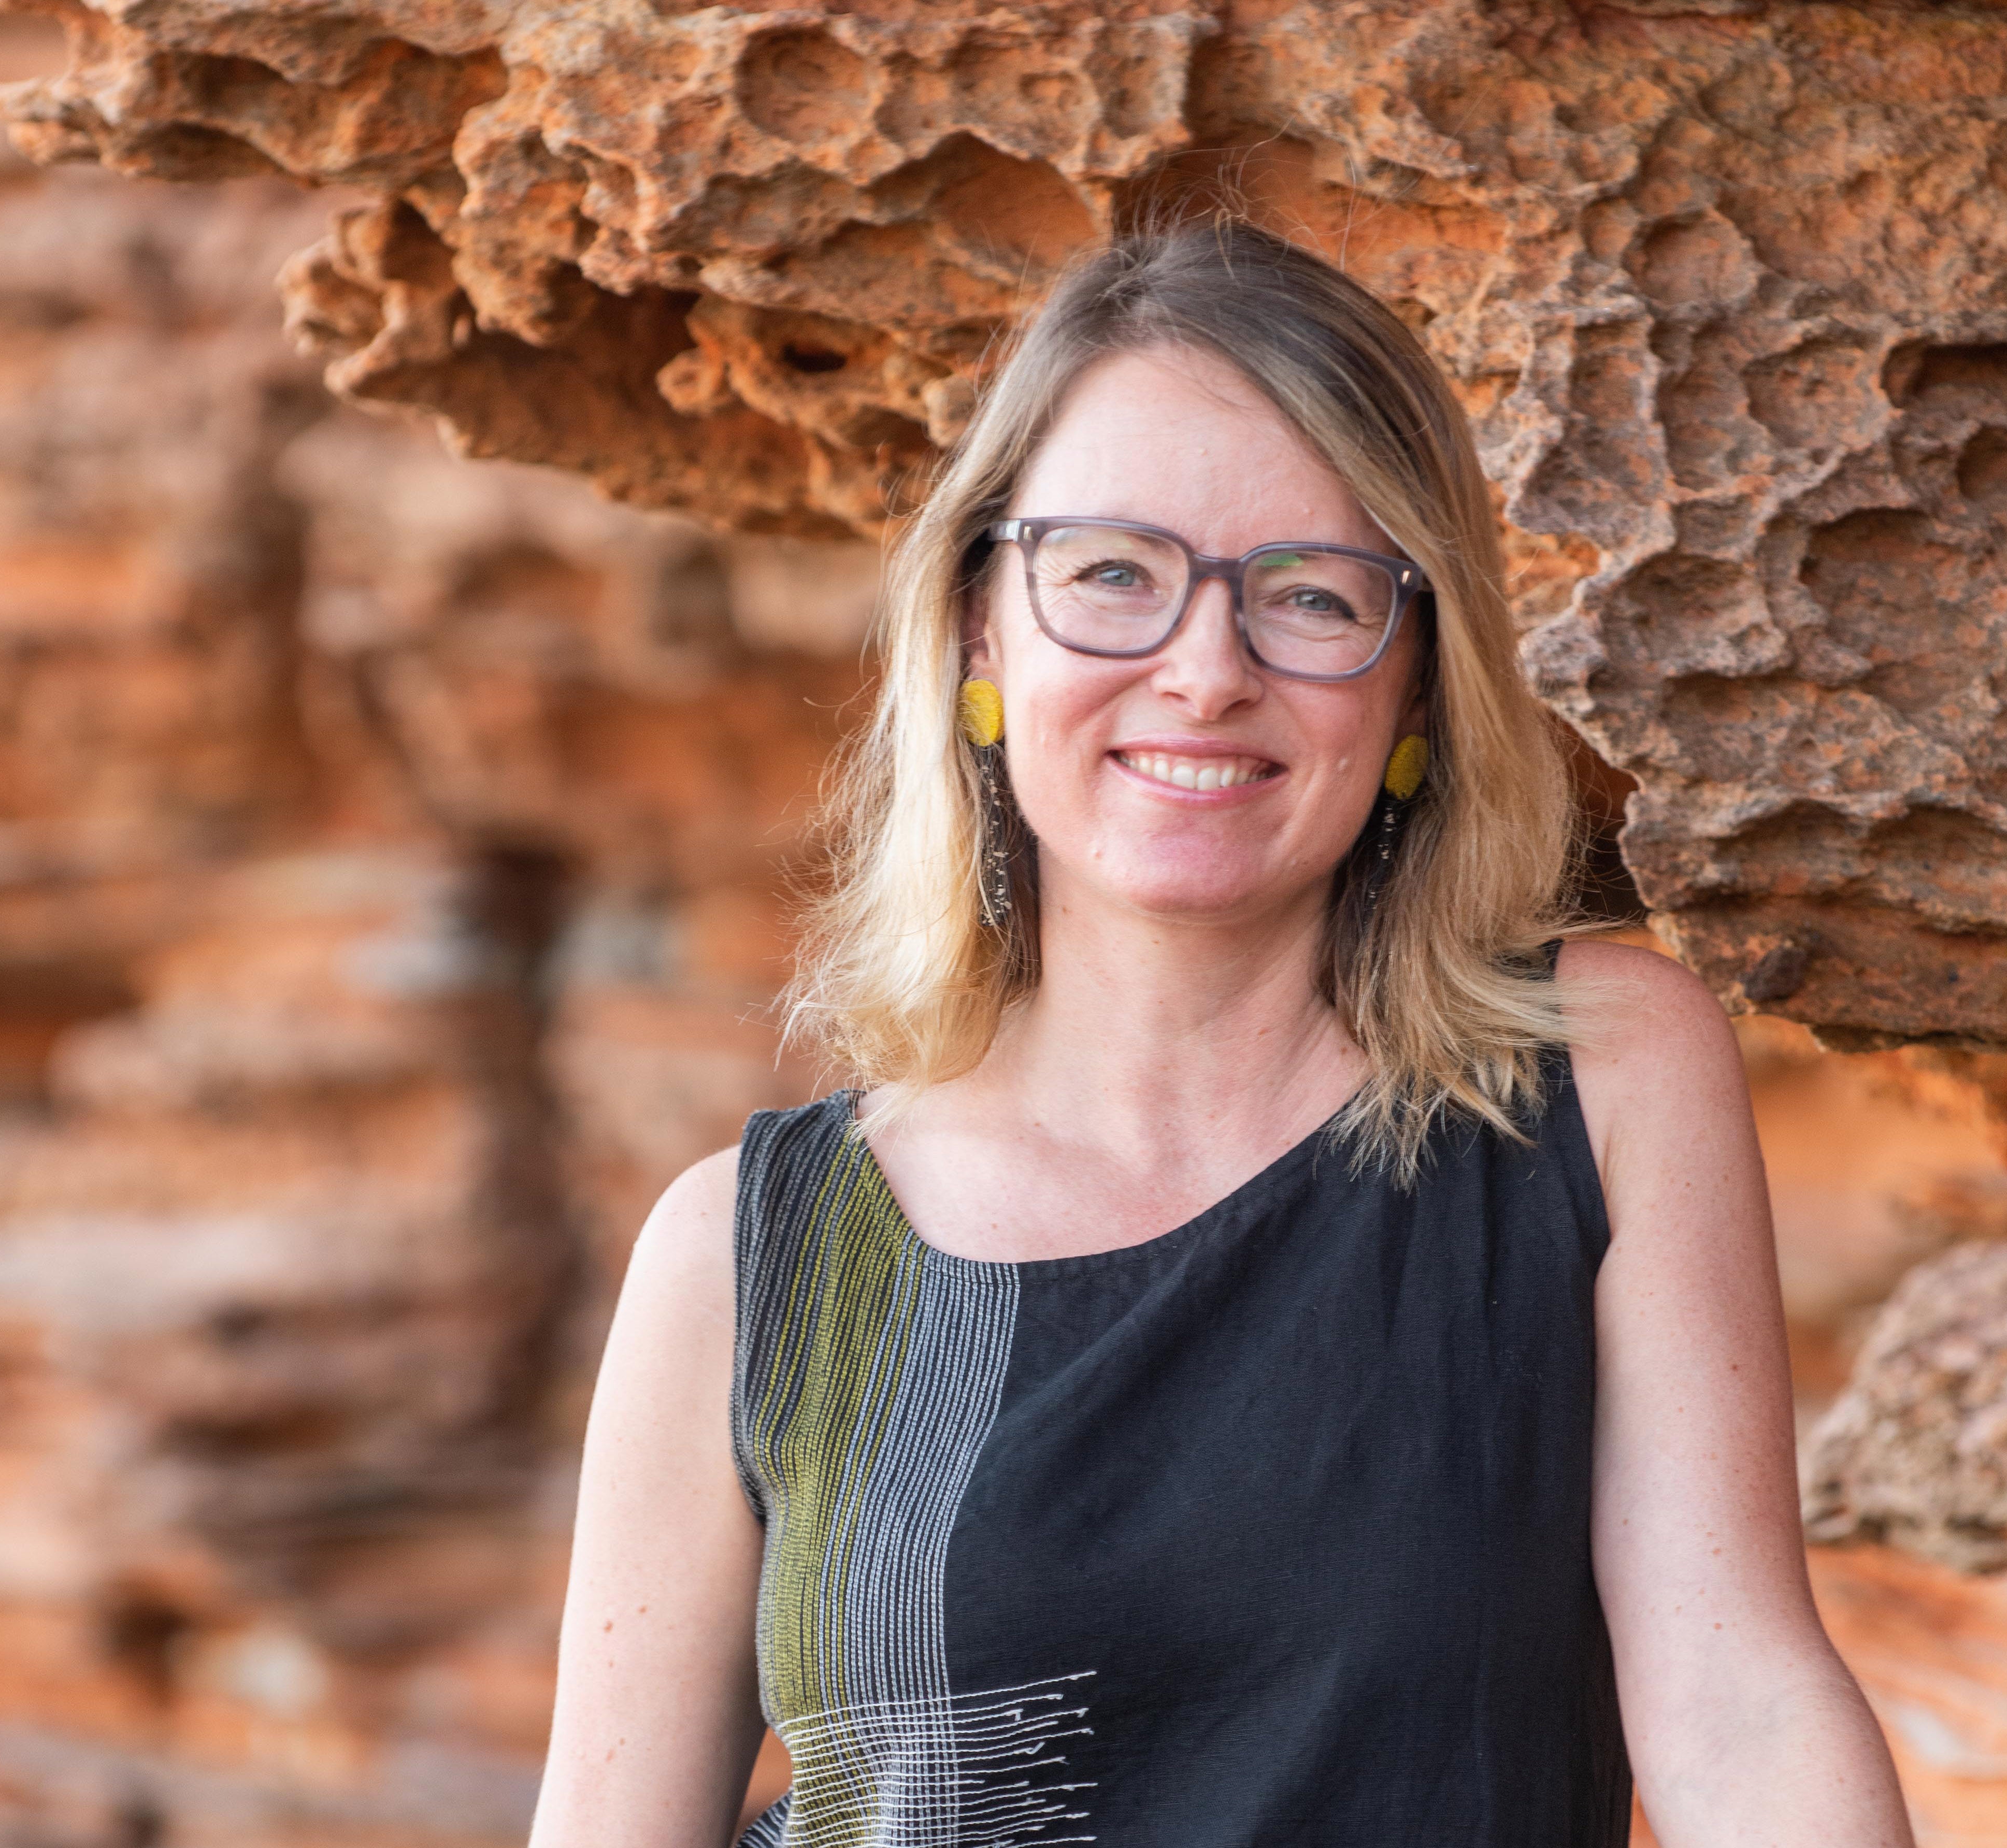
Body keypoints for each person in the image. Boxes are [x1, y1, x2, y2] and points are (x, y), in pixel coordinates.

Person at [527, 220, 1913, 1847]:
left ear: (1416, 686)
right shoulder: (753, 1257)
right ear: (983, 634)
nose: (1205, 672)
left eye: (1313, 597)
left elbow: (1741, 1708)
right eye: (1113, 574)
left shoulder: (1589, 1086)